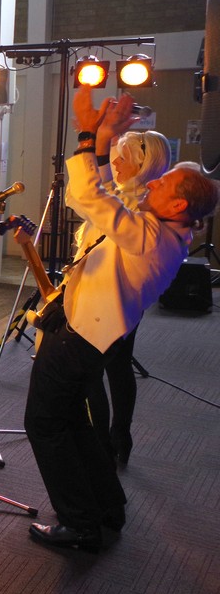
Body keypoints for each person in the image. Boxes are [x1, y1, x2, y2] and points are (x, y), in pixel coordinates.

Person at [22, 88, 219, 551]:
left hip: (81, 338)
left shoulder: (150, 235)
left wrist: (88, 134)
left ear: (178, 206)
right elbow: (105, 198)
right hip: (95, 336)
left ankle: (80, 524)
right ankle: (107, 506)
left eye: (162, 185)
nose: (150, 186)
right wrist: (105, 142)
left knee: (44, 423)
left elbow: (89, 196)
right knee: (73, 420)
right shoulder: (165, 230)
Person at [88, 129, 171, 465]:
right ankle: (120, 435)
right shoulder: (139, 196)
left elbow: (93, 198)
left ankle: (103, 445)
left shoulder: (135, 204)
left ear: (142, 164)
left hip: (109, 298)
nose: (116, 163)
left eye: (123, 158)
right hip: (127, 300)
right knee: (119, 367)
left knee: (91, 373)